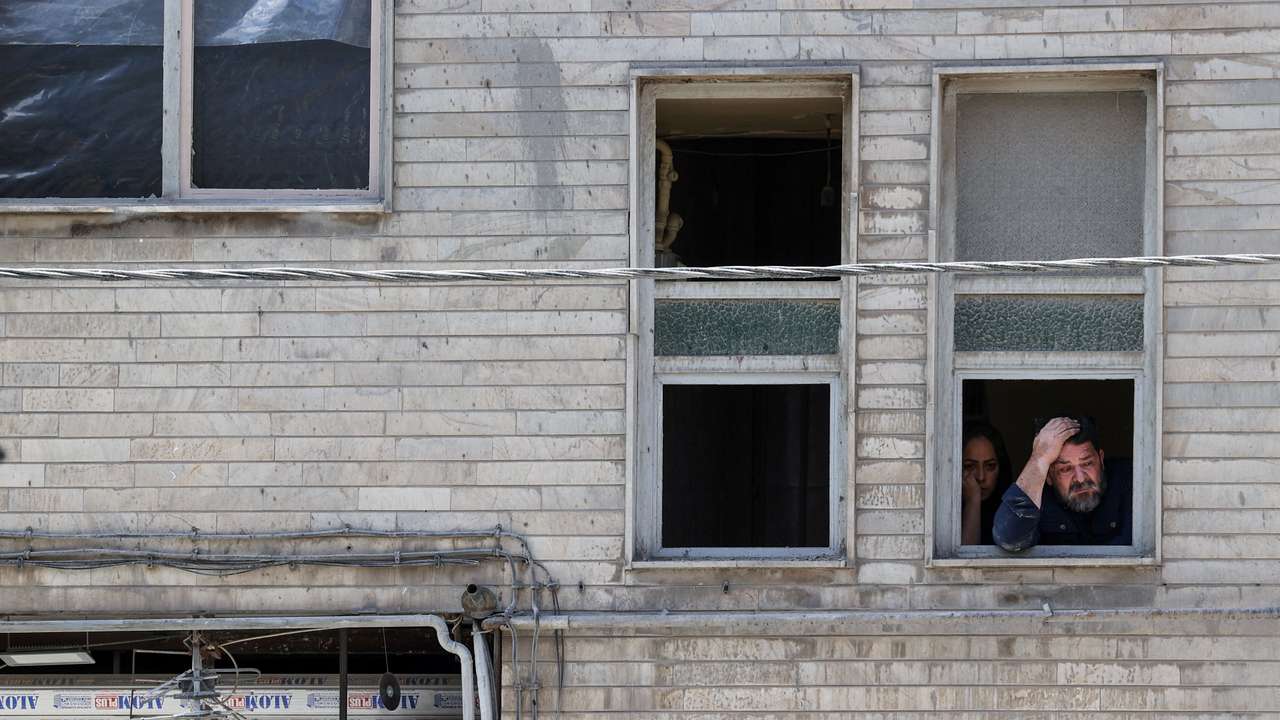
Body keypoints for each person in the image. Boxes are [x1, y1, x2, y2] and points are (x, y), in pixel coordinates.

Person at [993, 416, 1131, 552]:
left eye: (1087, 463)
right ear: (1048, 476)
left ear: (1101, 460)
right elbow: (1010, 539)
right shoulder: (1038, 497)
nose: (1080, 479)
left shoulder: (1131, 481)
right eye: (1066, 469)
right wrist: (1039, 458)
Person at [960, 422, 1013, 545]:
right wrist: (973, 501)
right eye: (970, 466)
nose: (981, 477)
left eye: (990, 466)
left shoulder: (1012, 511)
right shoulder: (944, 512)